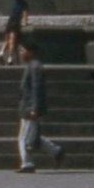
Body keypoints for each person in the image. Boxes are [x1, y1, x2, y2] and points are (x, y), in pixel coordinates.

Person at [17, 39, 64, 173]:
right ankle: (56, 151)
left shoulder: (35, 66)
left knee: (24, 138)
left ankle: (27, 164)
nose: (20, 53)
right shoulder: (31, 65)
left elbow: (37, 89)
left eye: (22, 50)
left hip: (30, 108)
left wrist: (34, 108)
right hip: (26, 107)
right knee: (33, 137)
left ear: (30, 52)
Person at [0, 0, 29, 66]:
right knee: (12, 40)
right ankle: (10, 58)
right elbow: (24, 13)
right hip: (15, 23)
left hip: (9, 21)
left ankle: (1, 52)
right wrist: (25, 23)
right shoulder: (24, 3)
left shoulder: (14, 3)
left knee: (6, 40)